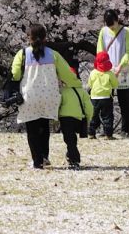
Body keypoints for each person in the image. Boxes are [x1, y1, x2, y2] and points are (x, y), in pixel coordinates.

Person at [11, 23, 81, 169]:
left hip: (29, 96)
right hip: (49, 96)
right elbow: (67, 74)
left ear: (28, 38)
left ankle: (37, 161)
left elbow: (15, 74)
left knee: (32, 129)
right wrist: (76, 84)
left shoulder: (22, 54)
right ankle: (44, 156)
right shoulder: (53, 54)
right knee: (44, 126)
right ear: (45, 38)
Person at [96, 10, 129, 134]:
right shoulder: (103, 31)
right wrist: (103, 66)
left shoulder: (127, 32)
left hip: (123, 70)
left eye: (112, 24)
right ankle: (107, 128)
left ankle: (125, 129)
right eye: (109, 25)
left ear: (117, 20)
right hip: (107, 70)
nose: (111, 27)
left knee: (124, 100)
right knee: (105, 99)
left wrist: (120, 66)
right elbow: (100, 51)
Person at [58, 64, 95, 169]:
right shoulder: (82, 91)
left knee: (69, 140)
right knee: (72, 140)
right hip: (78, 118)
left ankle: (74, 159)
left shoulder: (62, 92)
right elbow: (89, 107)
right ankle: (71, 155)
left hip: (65, 118)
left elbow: (58, 105)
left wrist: (56, 116)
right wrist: (88, 118)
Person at [87, 50, 127, 139]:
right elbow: (115, 85)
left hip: (94, 98)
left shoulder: (93, 73)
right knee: (107, 116)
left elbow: (90, 84)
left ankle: (91, 133)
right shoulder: (110, 74)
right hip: (106, 98)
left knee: (93, 115)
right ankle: (108, 135)